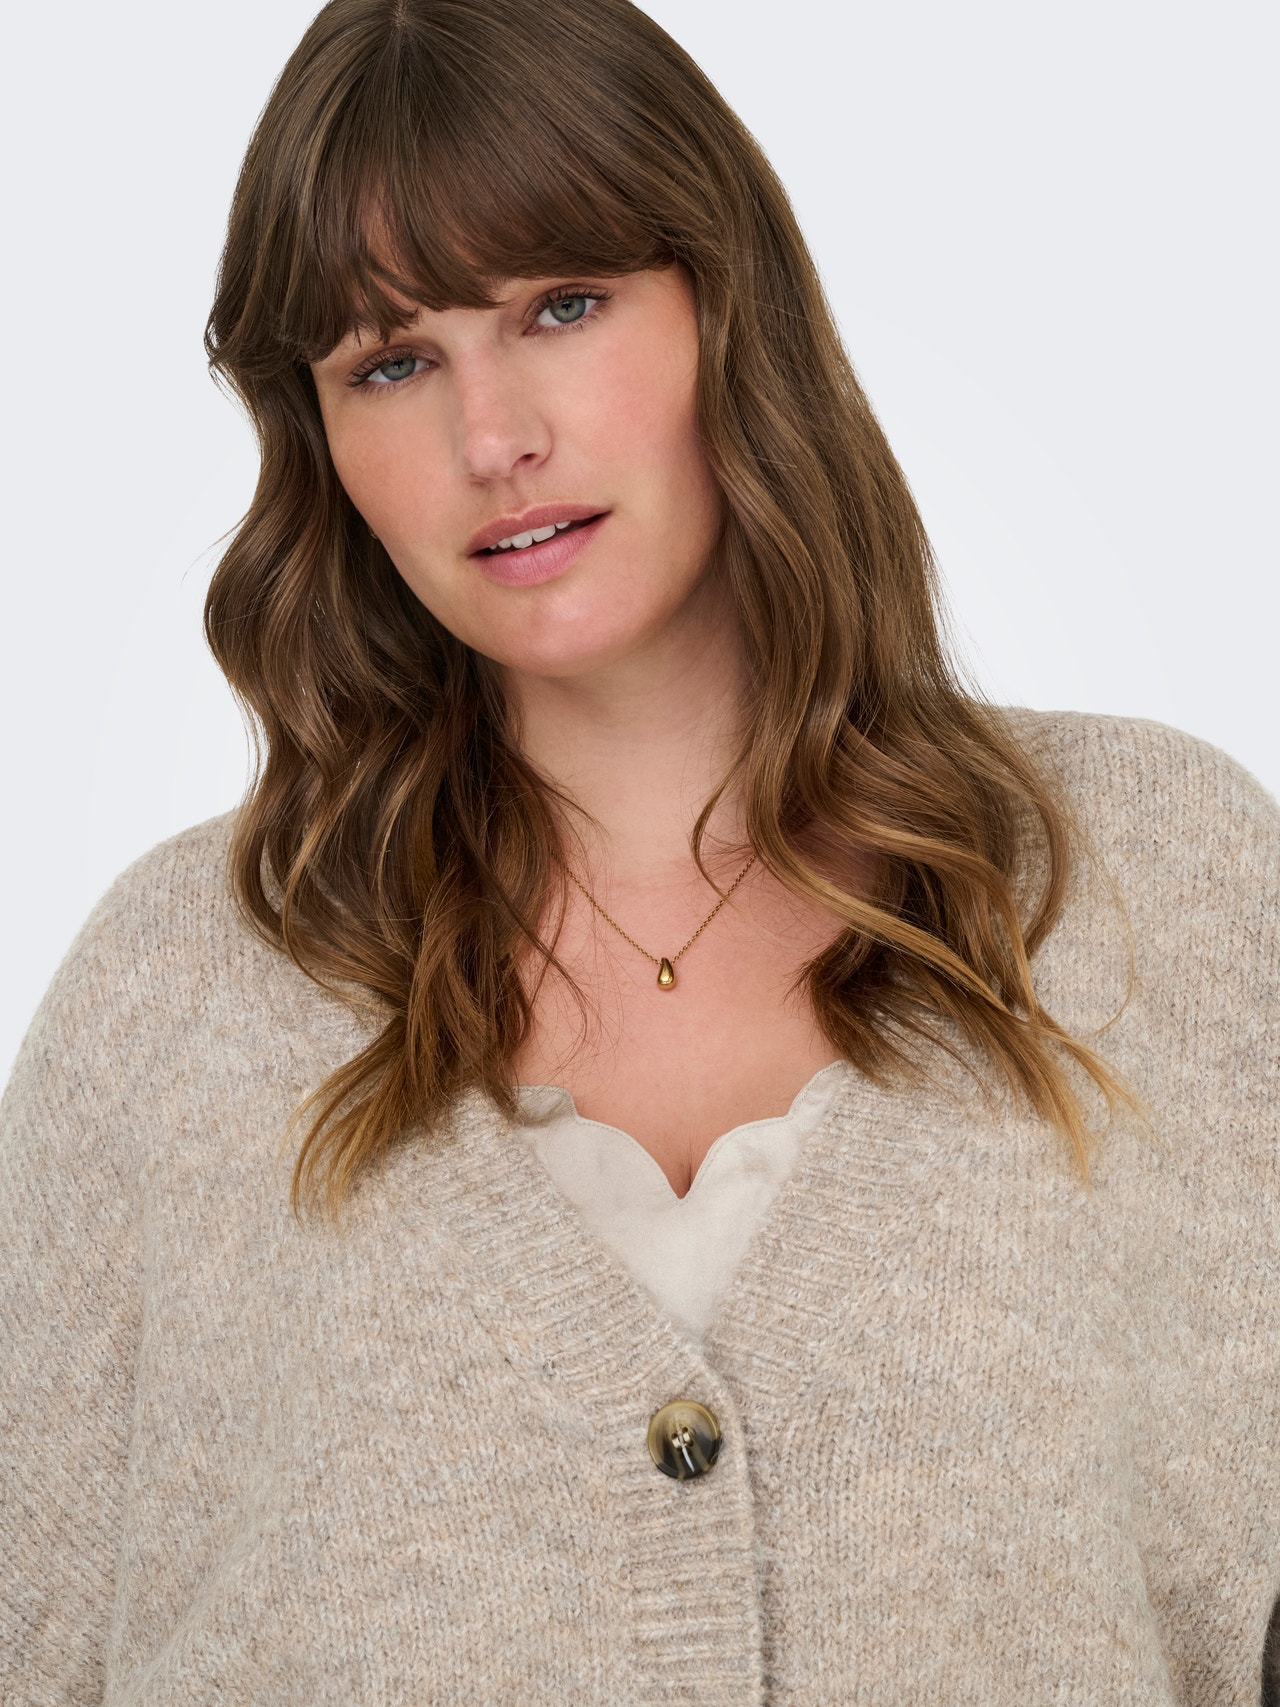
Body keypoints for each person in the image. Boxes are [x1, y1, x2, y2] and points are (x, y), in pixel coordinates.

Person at [1, 0, 1277, 1699]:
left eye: (563, 305)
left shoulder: (1152, 880)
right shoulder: (182, 987)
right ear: (321, 442)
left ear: (730, 314)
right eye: (390, 363)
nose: (492, 439)